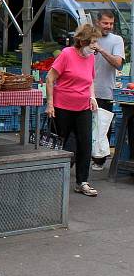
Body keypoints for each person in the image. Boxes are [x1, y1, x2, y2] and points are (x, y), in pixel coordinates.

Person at [46, 24, 102, 196]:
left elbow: (90, 79)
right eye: (92, 42)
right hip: (63, 106)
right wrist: (50, 103)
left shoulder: (91, 58)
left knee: (85, 144)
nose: (95, 46)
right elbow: (50, 78)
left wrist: (92, 97)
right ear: (82, 41)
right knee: (61, 142)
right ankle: (53, 177)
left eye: (95, 42)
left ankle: (82, 182)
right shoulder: (67, 54)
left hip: (83, 106)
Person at [91, 11, 124, 171]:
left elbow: (118, 63)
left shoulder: (117, 40)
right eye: (105, 23)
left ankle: (99, 160)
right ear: (98, 22)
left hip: (105, 91)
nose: (108, 26)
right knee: (85, 127)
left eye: (111, 23)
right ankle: (83, 157)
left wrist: (102, 50)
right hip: (85, 92)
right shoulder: (89, 37)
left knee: (103, 127)